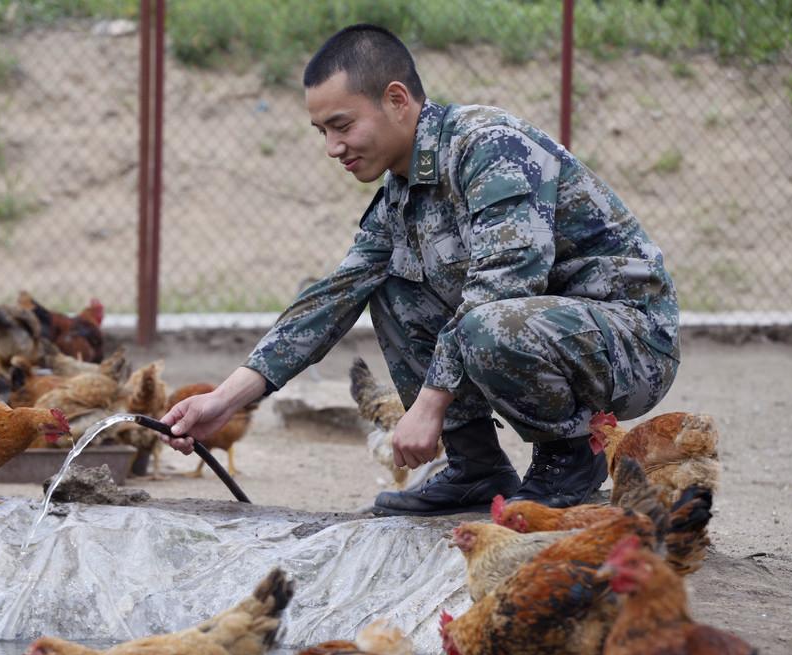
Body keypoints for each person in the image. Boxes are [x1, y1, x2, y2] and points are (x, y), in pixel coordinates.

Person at [161, 24, 679, 516]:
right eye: (322, 131)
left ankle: (570, 459)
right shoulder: (399, 192)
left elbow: (505, 285)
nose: (332, 148)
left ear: (396, 99)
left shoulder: (490, 146)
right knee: (387, 286)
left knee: (489, 322)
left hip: (629, 343)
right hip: (544, 334)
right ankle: (475, 467)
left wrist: (430, 403)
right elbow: (332, 299)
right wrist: (224, 400)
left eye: (343, 125)